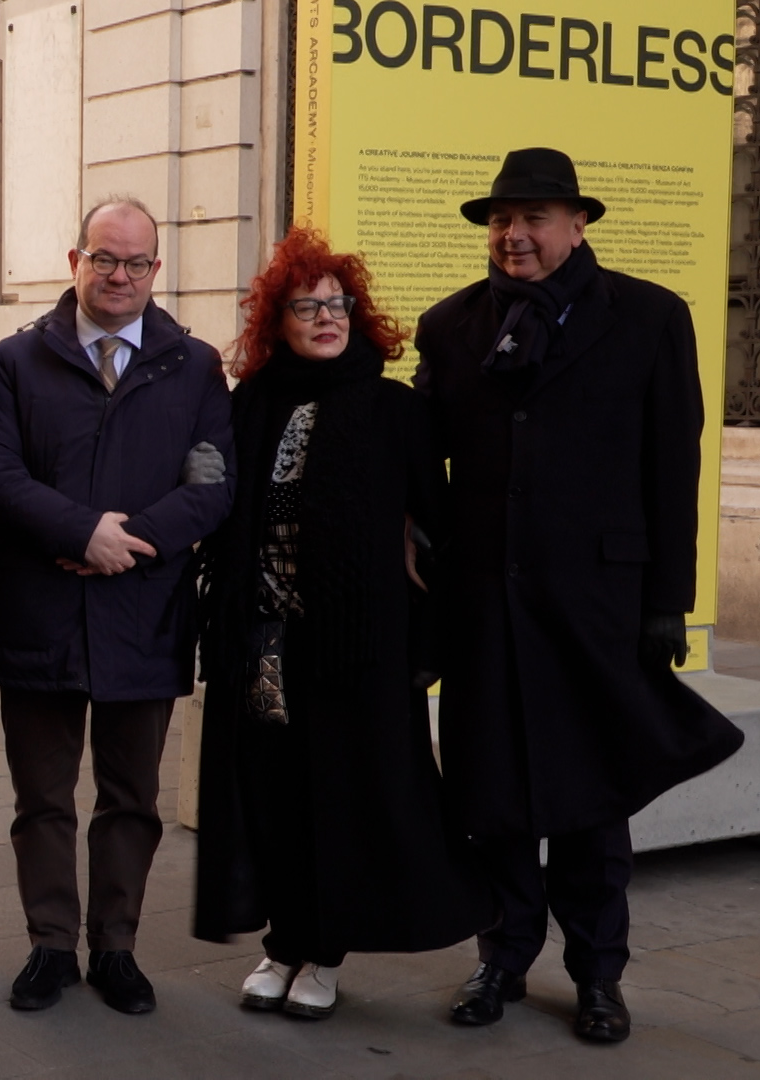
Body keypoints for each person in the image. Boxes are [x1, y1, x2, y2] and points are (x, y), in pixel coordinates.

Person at [414, 148, 744, 1044]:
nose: (513, 235)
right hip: (486, 606)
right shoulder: (450, 327)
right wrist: (422, 536)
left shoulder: (649, 318)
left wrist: (666, 601)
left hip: (597, 604)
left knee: (594, 799)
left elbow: (673, 466)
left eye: (533, 219)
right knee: (492, 793)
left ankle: (598, 975)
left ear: (577, 224)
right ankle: (503, 956)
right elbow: (423, 457)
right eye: (500, 220)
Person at [191, 227, 493, 1020]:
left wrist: (422, 629)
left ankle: (323, 954)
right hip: (265, 644)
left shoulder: (395, 410)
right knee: (275, 796)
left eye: (339, 304)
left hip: (357, 650)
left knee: (345, 800)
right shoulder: (251, 403)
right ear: (276, 321)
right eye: (307, 306)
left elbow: (438, 526)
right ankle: (284, 943)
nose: (327, 317)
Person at [0, 196, 235, 1015]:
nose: (119, 275)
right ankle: (50, 945)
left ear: (156, 270)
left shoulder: (193, 366)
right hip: (42, 609)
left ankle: (115, 946)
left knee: (133, 798)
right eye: (104, 258)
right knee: (42, 798)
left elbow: (214, 480)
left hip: (144, 614)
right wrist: (82, 530)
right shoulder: (20, 360)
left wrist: (133, 542)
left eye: (136, 262)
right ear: (74, 261)